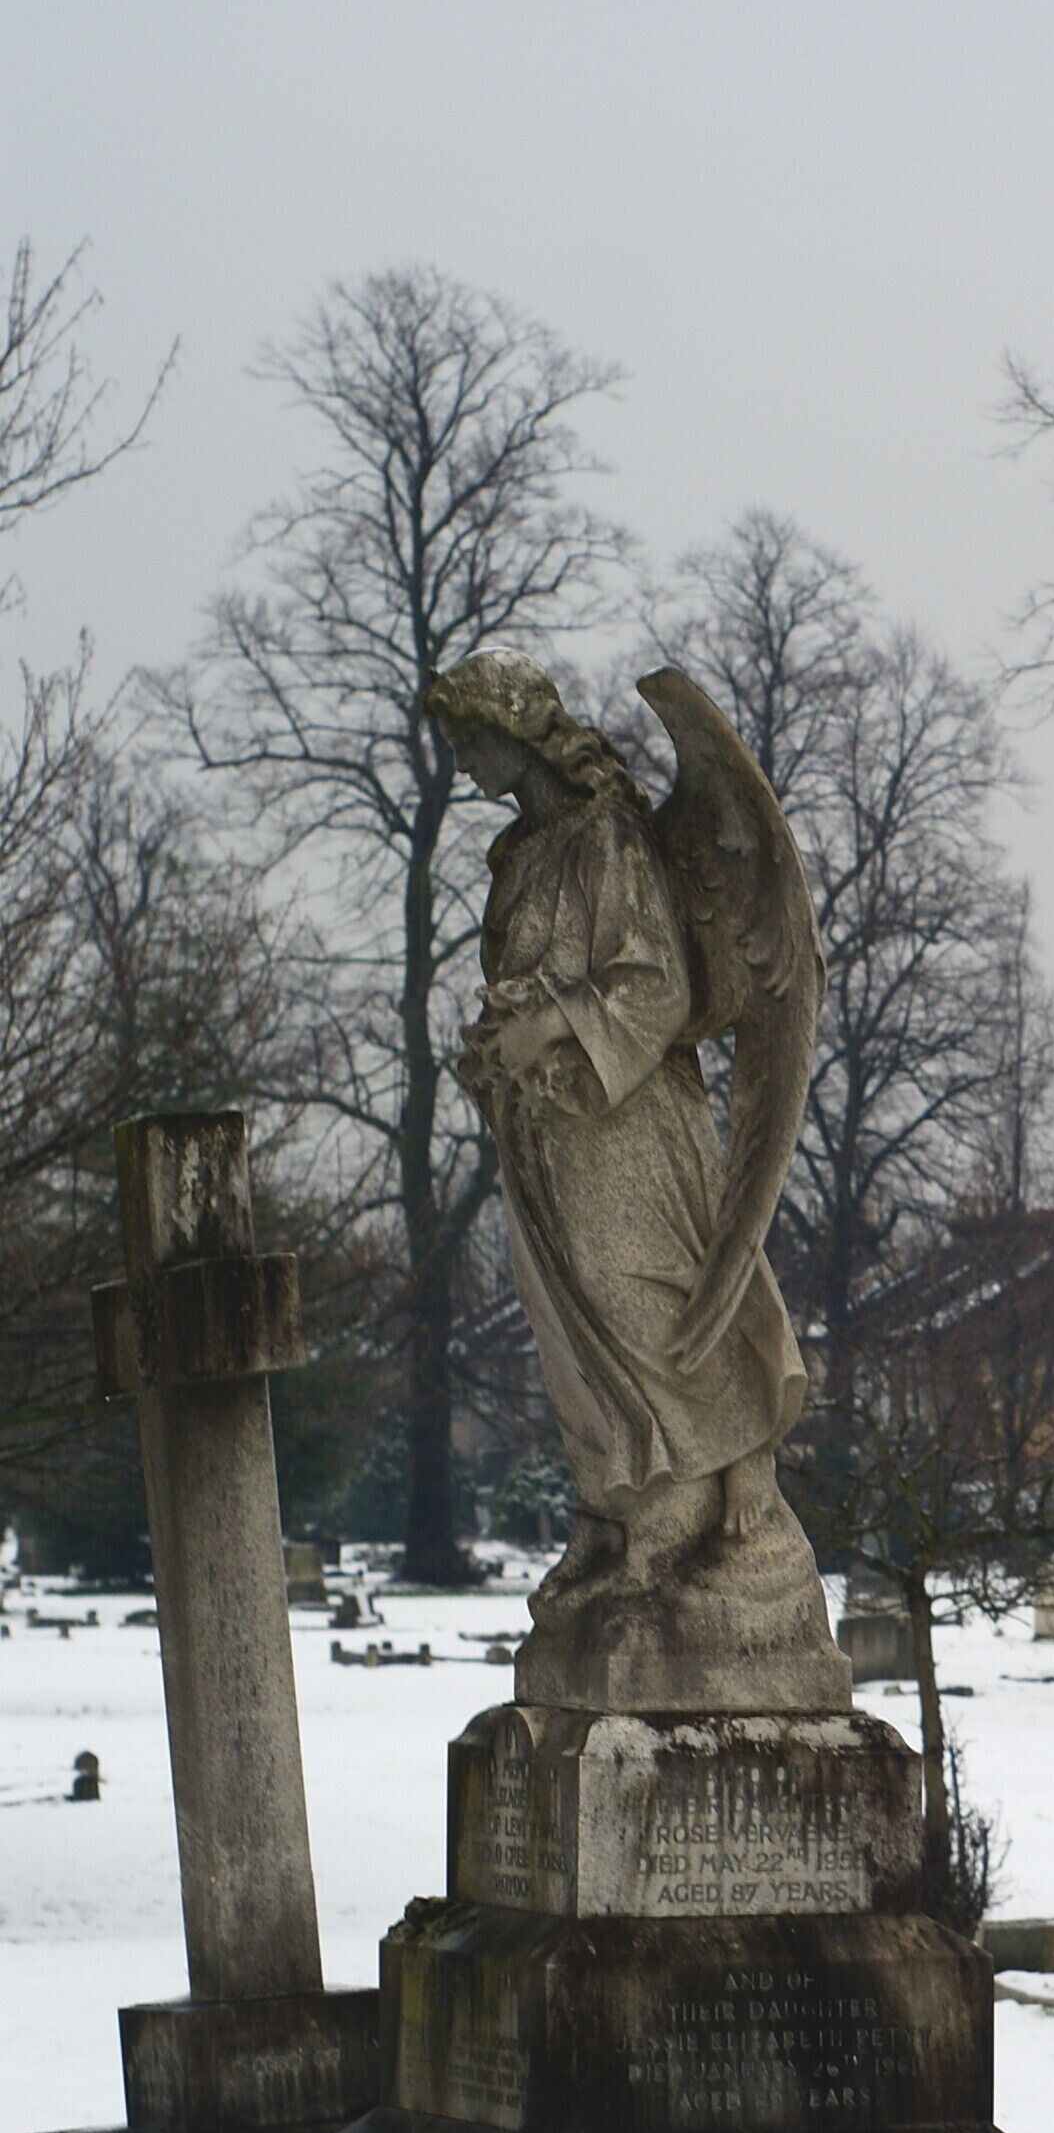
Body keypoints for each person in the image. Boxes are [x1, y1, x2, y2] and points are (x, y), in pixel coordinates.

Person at [432, 658, 805, 1610]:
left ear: (515, 731)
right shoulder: (521, 856)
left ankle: (737, 1482)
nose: (461, 763)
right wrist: (497, 1047)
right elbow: (518, 981)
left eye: (469, 741)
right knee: (570, 1327)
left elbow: (660, 988)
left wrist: (551, 1024)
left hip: (628, 1124)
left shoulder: (608, 838)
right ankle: (618, 1516)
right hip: (548, 1131)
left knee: (641, 1297)